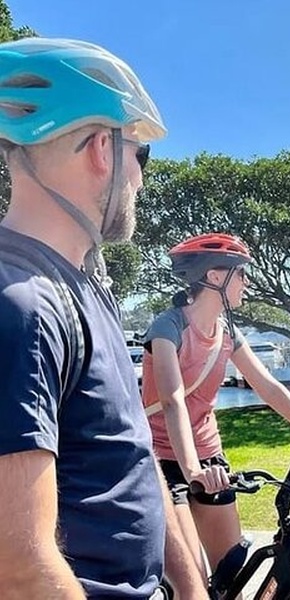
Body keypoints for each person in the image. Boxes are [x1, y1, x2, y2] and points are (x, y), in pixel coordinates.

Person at [0, 38, 207, 599]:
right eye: (140, 154)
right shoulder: (23, 306)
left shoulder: (86, 287)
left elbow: (131, 448)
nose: (139, 179)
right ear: (101, 149)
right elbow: (18, 567)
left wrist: (191, 586)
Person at [141, 233, 290, 575]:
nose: (247, 282)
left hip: (209, 456)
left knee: (232, 573)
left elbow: (268, 387)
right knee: (191, 580)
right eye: (241, 273)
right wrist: (192, 471)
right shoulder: (168, 327)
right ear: (214, 276)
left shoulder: (227, 331)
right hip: (163, 461)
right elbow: (172, 400)